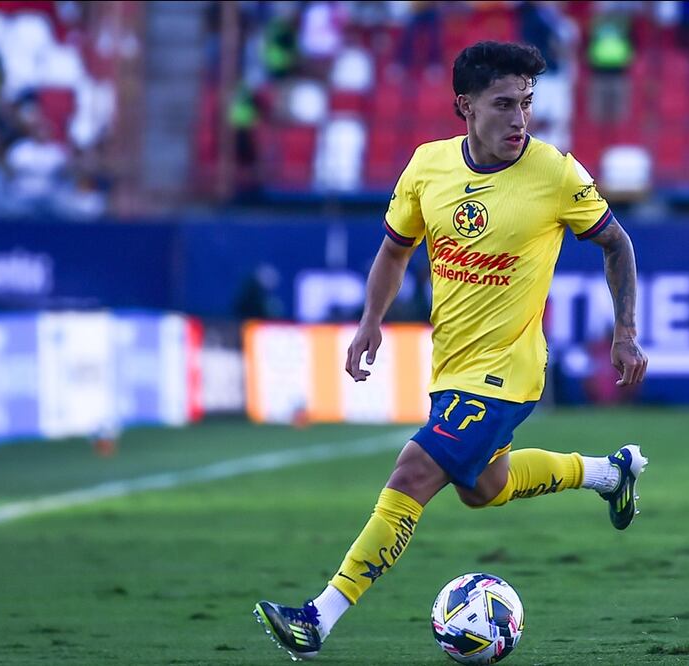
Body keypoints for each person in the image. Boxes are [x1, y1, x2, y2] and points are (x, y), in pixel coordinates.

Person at [253, 41, 649, 661]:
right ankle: (609, 472)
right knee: (484, 487)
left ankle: (318, 618)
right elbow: (394, 251)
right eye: (504, 105)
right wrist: (371, 320)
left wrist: (624, 331)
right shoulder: (427, 167)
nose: (520, 119)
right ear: (466, 106)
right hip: (452, 369)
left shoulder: (555, 173)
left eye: (527, 103)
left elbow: (617, 244)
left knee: (413, 472)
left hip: (509, 371)